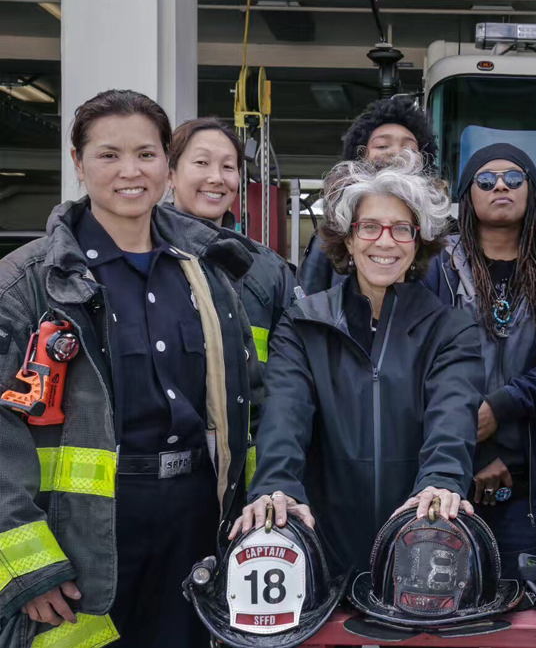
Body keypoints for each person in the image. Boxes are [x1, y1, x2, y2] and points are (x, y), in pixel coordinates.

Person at [0, 90, 257, 647]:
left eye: (145, 154)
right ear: (77, 162)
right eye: (108, 155)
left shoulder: (208, 276)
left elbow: (244, 405)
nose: (129, 172)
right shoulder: (27, 284)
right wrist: (30, 563)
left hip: (195, 522)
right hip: (81, 535)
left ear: (166, 161)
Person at [232, 153, 484, 576]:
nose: (384, 242)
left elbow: (452, 417)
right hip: (321, 541)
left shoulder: (451, 329)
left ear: (418, 240)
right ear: (347, 239)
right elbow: (284, 415)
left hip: (419, 545)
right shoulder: (304, 323)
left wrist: (441, 482)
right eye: (369, 227)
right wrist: (275, 485)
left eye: (401, 228)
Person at [424, 143, 536, 575]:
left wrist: (505, 403)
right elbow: (418, 364)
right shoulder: (435, 269)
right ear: (468, 194)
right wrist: (476, 449)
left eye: (514, 177)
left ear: (530, 191)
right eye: (486, 179)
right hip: (450, 483)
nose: (500, 185)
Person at [168, 118, 299, 487]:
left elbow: (293, 375)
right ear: (170, 174)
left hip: (252, 477)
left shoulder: (268, 269)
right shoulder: (146, 259)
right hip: (169, 474)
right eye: (202, 163)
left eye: (228, 167)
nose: (216, 178)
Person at [297, 95, 439, 295]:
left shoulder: (439, 234)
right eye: (382, 146)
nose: (396, 153)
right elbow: (308, 307)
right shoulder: (332, 234)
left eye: (409, 148)